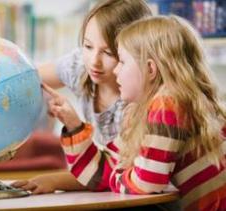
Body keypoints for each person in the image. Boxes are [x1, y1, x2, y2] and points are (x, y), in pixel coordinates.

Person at [0, 0, 152, 194]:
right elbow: (22, 77)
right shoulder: (79, 67)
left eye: (109, 52)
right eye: (88, 46)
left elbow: (113, 173)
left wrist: (55, 179)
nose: (94, 61)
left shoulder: (137, 102)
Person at [43, 15, 226, 211]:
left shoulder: (168, 104)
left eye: (122, 61)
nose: (116, 71)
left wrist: (119, 175)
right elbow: (103, 172)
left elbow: (147, 183)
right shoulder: (143, 111)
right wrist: (73, 125)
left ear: (150, 69)